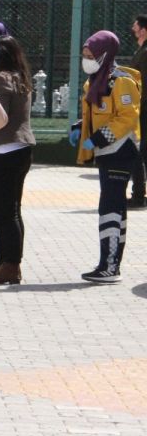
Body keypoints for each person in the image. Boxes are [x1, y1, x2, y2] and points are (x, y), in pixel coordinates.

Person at [70, 30, 141, 283]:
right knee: (113, 206)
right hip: (106, 152)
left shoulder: (122, 82)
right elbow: (96, 111)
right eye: (85, 55)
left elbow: (127, 116)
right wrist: (81, 126)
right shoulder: (96, 80)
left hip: (120, 151)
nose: (86, 59)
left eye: (91, 55)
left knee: (111, 207)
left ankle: (109, 266)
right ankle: (110, 264)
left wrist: (98, 138)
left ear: (104, 54)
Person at [0, 35, 36, 284]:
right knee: (11, 210)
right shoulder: (21, 77)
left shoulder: (1, 79)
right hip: (20, 150)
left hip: (2, 151)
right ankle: (4, 261)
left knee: (5, 212)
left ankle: (11, 266)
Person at [129, 14, 147, 209]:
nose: (134, 31)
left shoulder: (145, 52)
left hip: (143, 109)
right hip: (142, 107)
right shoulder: (142, 50)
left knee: (138, 152)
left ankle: (138, 195)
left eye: (135, 28)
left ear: (143, 30)